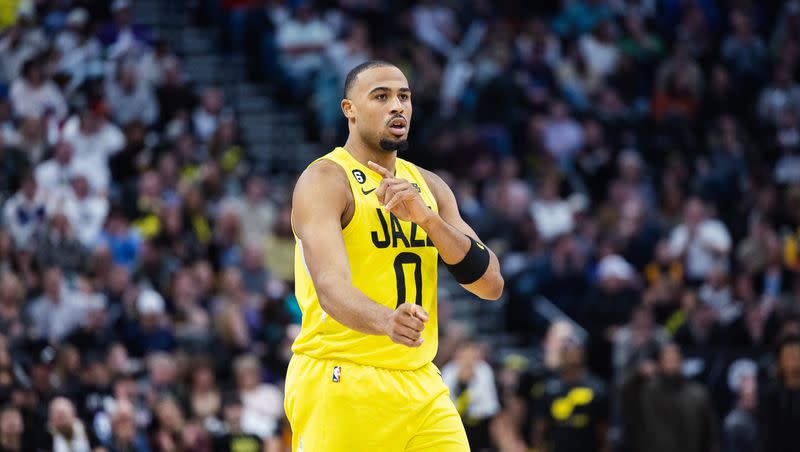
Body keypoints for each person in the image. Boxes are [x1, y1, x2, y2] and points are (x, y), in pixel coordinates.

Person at [286, 60, 504, 451]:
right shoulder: (325, 180)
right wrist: (387, 320)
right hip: (343, 376)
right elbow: (331, 288)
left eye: (404, 97)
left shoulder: (430, 186)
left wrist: (428, 220)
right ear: (348, 110)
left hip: (420, 380)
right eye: (381, 96)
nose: (397, 107)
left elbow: (490, 284)